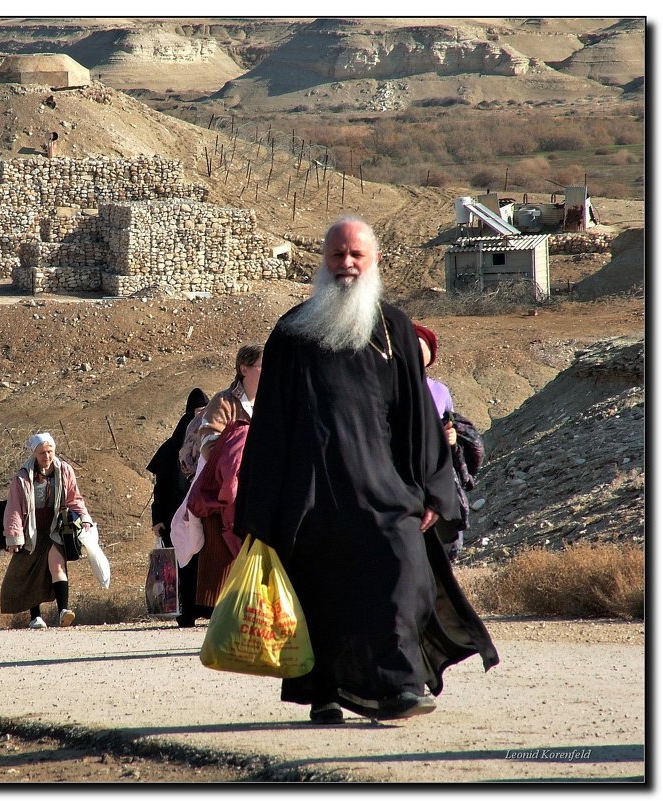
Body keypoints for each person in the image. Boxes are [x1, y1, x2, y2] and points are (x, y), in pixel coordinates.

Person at [234, 216, 499, 725]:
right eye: (338, 255)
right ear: (323, 260)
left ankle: (400, 686)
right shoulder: (291, 333)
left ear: (373, 261)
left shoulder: (394, 327)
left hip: (385, 491)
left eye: (357, 255)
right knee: (320, 595)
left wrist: (432, 490)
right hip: (312, 494)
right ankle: (326, 690)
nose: (347, 265)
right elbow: (270, 427)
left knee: (404, 576)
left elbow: (418, 416)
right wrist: (261, 509)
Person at [190, 344, 262, 608]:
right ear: (244, 369)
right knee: (220, 557)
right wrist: (234, 457)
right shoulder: (224, 401)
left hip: (257, 489)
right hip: (222, 492)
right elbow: (208, 440)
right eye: (261, 366)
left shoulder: (270, 403)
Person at [0, 432, 92, 629]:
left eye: (50, 451)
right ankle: (36, 617)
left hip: (55, 529)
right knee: (31, 572)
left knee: (57, 566)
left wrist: (84, 518)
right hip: (31, 531)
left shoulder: (64, 471)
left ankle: (63, 611)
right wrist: (14, 536)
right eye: (42, 452)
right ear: (34, 453)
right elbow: (14, 508)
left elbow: (74, 498)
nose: (47, 456)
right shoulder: (22, 477)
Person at [413, 322, 485, 562]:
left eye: (421, 350)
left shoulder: (439, 391)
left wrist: (451, 440)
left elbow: (450, 427)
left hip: (437, 478)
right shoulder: (386, 389)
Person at [146, 388, 210, 627]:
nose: (202, 415)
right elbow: (161, 485)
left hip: (202, 511)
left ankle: (205, 608)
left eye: (206, 410)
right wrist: (158, 518)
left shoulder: (211, 436)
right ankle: (186, 612)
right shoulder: (174, 445)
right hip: (176, 513)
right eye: (198, 410)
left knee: (203, 562)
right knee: (183, 563)